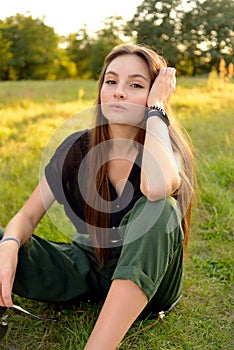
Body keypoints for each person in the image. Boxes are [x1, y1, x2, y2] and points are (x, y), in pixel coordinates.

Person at [0, 44, 195, 349]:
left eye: (136, 85)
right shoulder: (76, 147)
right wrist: (9, 244)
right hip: (93, 265)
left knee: (160, 208)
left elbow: (157, 190)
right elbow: (27, 216)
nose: (119, 92)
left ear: (155, 94)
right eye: (111, 81)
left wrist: (157, 109)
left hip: (153, 281)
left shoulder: (164, 149)